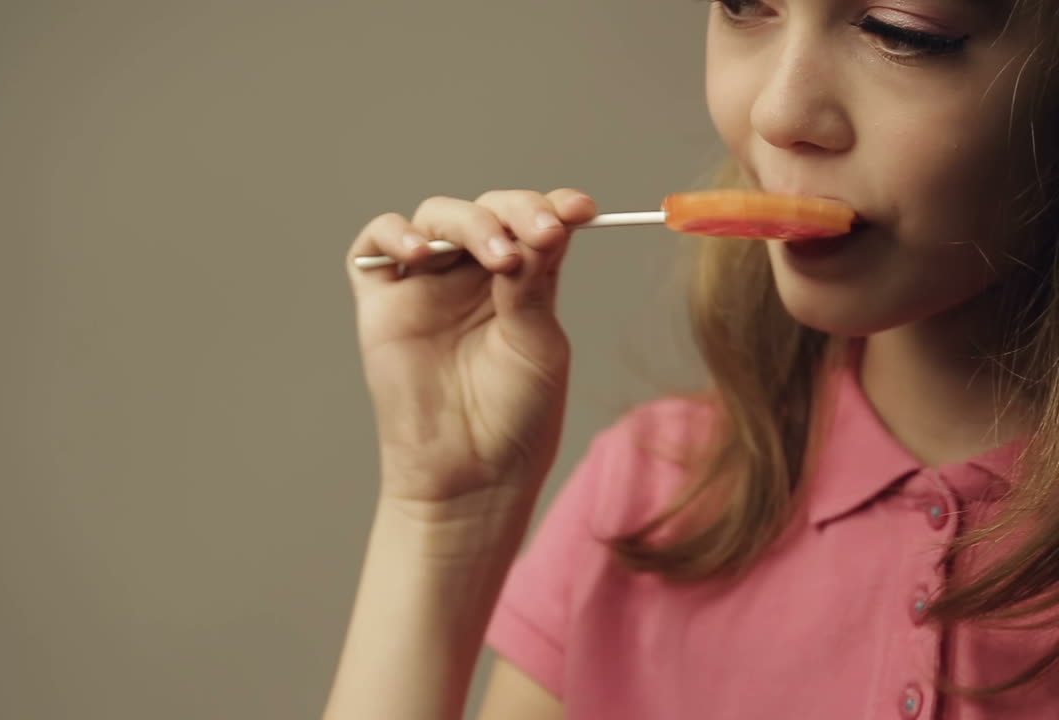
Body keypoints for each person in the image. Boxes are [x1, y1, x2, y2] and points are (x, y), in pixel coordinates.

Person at [324, 0, 1059, 717]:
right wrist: (445, 517)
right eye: (743, 6)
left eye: (900, 32)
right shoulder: (648, 498)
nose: (778, 112)